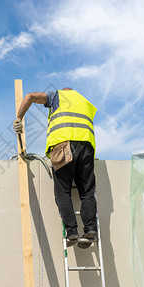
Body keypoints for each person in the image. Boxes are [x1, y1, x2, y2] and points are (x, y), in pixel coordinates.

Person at [13, 87, 97, 248]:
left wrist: (18, 118)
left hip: (63, 146)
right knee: (87, 192)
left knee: (63, 192)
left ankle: (72, 231)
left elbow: (30, 96)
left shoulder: (58, 96)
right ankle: (91, 229)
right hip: (86, 148)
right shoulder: (85, 102)